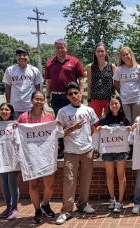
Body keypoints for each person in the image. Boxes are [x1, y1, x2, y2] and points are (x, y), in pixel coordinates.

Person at [55, 82, 99, 225]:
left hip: (87, 150)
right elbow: (58, 133)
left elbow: (94, 129)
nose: (74, 96)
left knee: (86, 178)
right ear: (66, 96)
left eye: (76, 93)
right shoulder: (62, 111)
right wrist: (71, 129)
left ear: (80, 93)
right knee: (69, 180)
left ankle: (83, 204)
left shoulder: (89, 110)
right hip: (71, 151)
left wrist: (92, 145)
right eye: (70, 94)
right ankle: (66, 210)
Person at [15, 91, 61, 223]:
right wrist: (13, 127)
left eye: (41, 99)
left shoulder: (49, 116)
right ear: (31, 100)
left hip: (46, 155)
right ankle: (37, 210)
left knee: (49, 185)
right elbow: (16, 132)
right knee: (33, 185)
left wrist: (58, 126)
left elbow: (54, 134)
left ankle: (45, 204)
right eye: (36, 99)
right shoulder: (23, 117)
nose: (39, 101)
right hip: (31, 156)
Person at [44, 38, 86, 159]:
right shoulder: (49, 63)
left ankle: (75, 145)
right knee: (60, 123)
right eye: (57, 48)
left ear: (66, 48)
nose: (60, 50)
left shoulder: (74, 61)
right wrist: (48, 96)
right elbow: (48, 81)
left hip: (71, 97)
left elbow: (81, 79)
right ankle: (61, 148)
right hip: (56, 97)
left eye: (62, 47)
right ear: (54, 49)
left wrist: (80, 94)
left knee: (73, 121)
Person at [97, 95, 132, 213]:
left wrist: (129, 129)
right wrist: (98, 130)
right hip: (108, 151)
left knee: (121, 175)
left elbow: (130, 136)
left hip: (121, 151)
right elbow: (99, 133)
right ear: (109, 105)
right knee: (110, 175)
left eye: (116, 103)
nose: (114, 106)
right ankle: (112, 199)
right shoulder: (104, 119)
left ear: (120, 104)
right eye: (112, 104)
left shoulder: (125, 119)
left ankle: (120, 201)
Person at [3, 48, 43, 119]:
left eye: (24, 55)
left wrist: (38, 104)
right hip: (15, 106)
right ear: (16, 57)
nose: (22, 57)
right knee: (15, 128)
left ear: (28, 57)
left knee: (30, 128)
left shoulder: (34, 70)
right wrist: (8, 104)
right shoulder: (10, 70)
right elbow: (8, 88)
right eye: (19, 55)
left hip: (30, 106)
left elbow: (37, 89)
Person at [113, 47, 140, 125]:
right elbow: (116, 85)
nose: (125, 57)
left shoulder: (139, 68)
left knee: (136, 123)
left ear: (131, 54)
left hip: (137, 99)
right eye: (123, 55)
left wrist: (135, 91)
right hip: (124, 100)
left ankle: (136, 137)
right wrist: (122, 93)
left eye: (126, 54)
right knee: (126, 122)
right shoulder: (119, 69)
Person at [87, 43, 116, 125]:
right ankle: (95, 138)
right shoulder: (90, 66)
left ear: (106, 52)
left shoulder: (112, 66)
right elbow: (89, 84)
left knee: (109, 122)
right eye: (98, 51)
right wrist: (89, 100)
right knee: (95, 123)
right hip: (95, 98)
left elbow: (117, 83)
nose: (100, 53)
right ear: (95, 53)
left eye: (102, 51)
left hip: (109, 99)